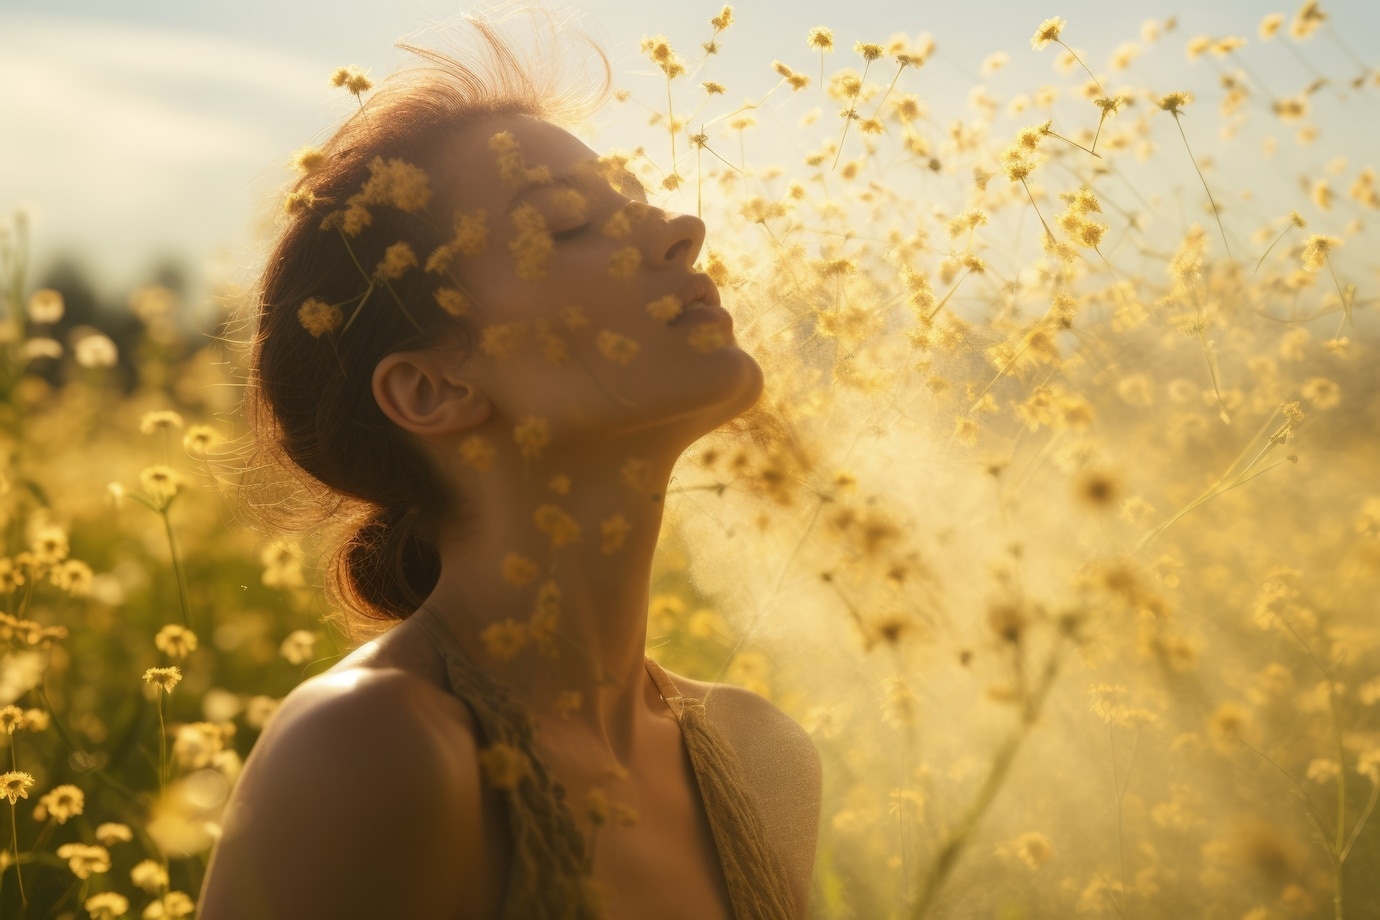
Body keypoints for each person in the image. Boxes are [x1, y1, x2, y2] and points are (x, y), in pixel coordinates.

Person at [198, 12, 821, 920]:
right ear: (430, 390)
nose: (680, 229)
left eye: (637, 199)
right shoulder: (371, 749)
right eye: (566, 224)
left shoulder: (762, 758)